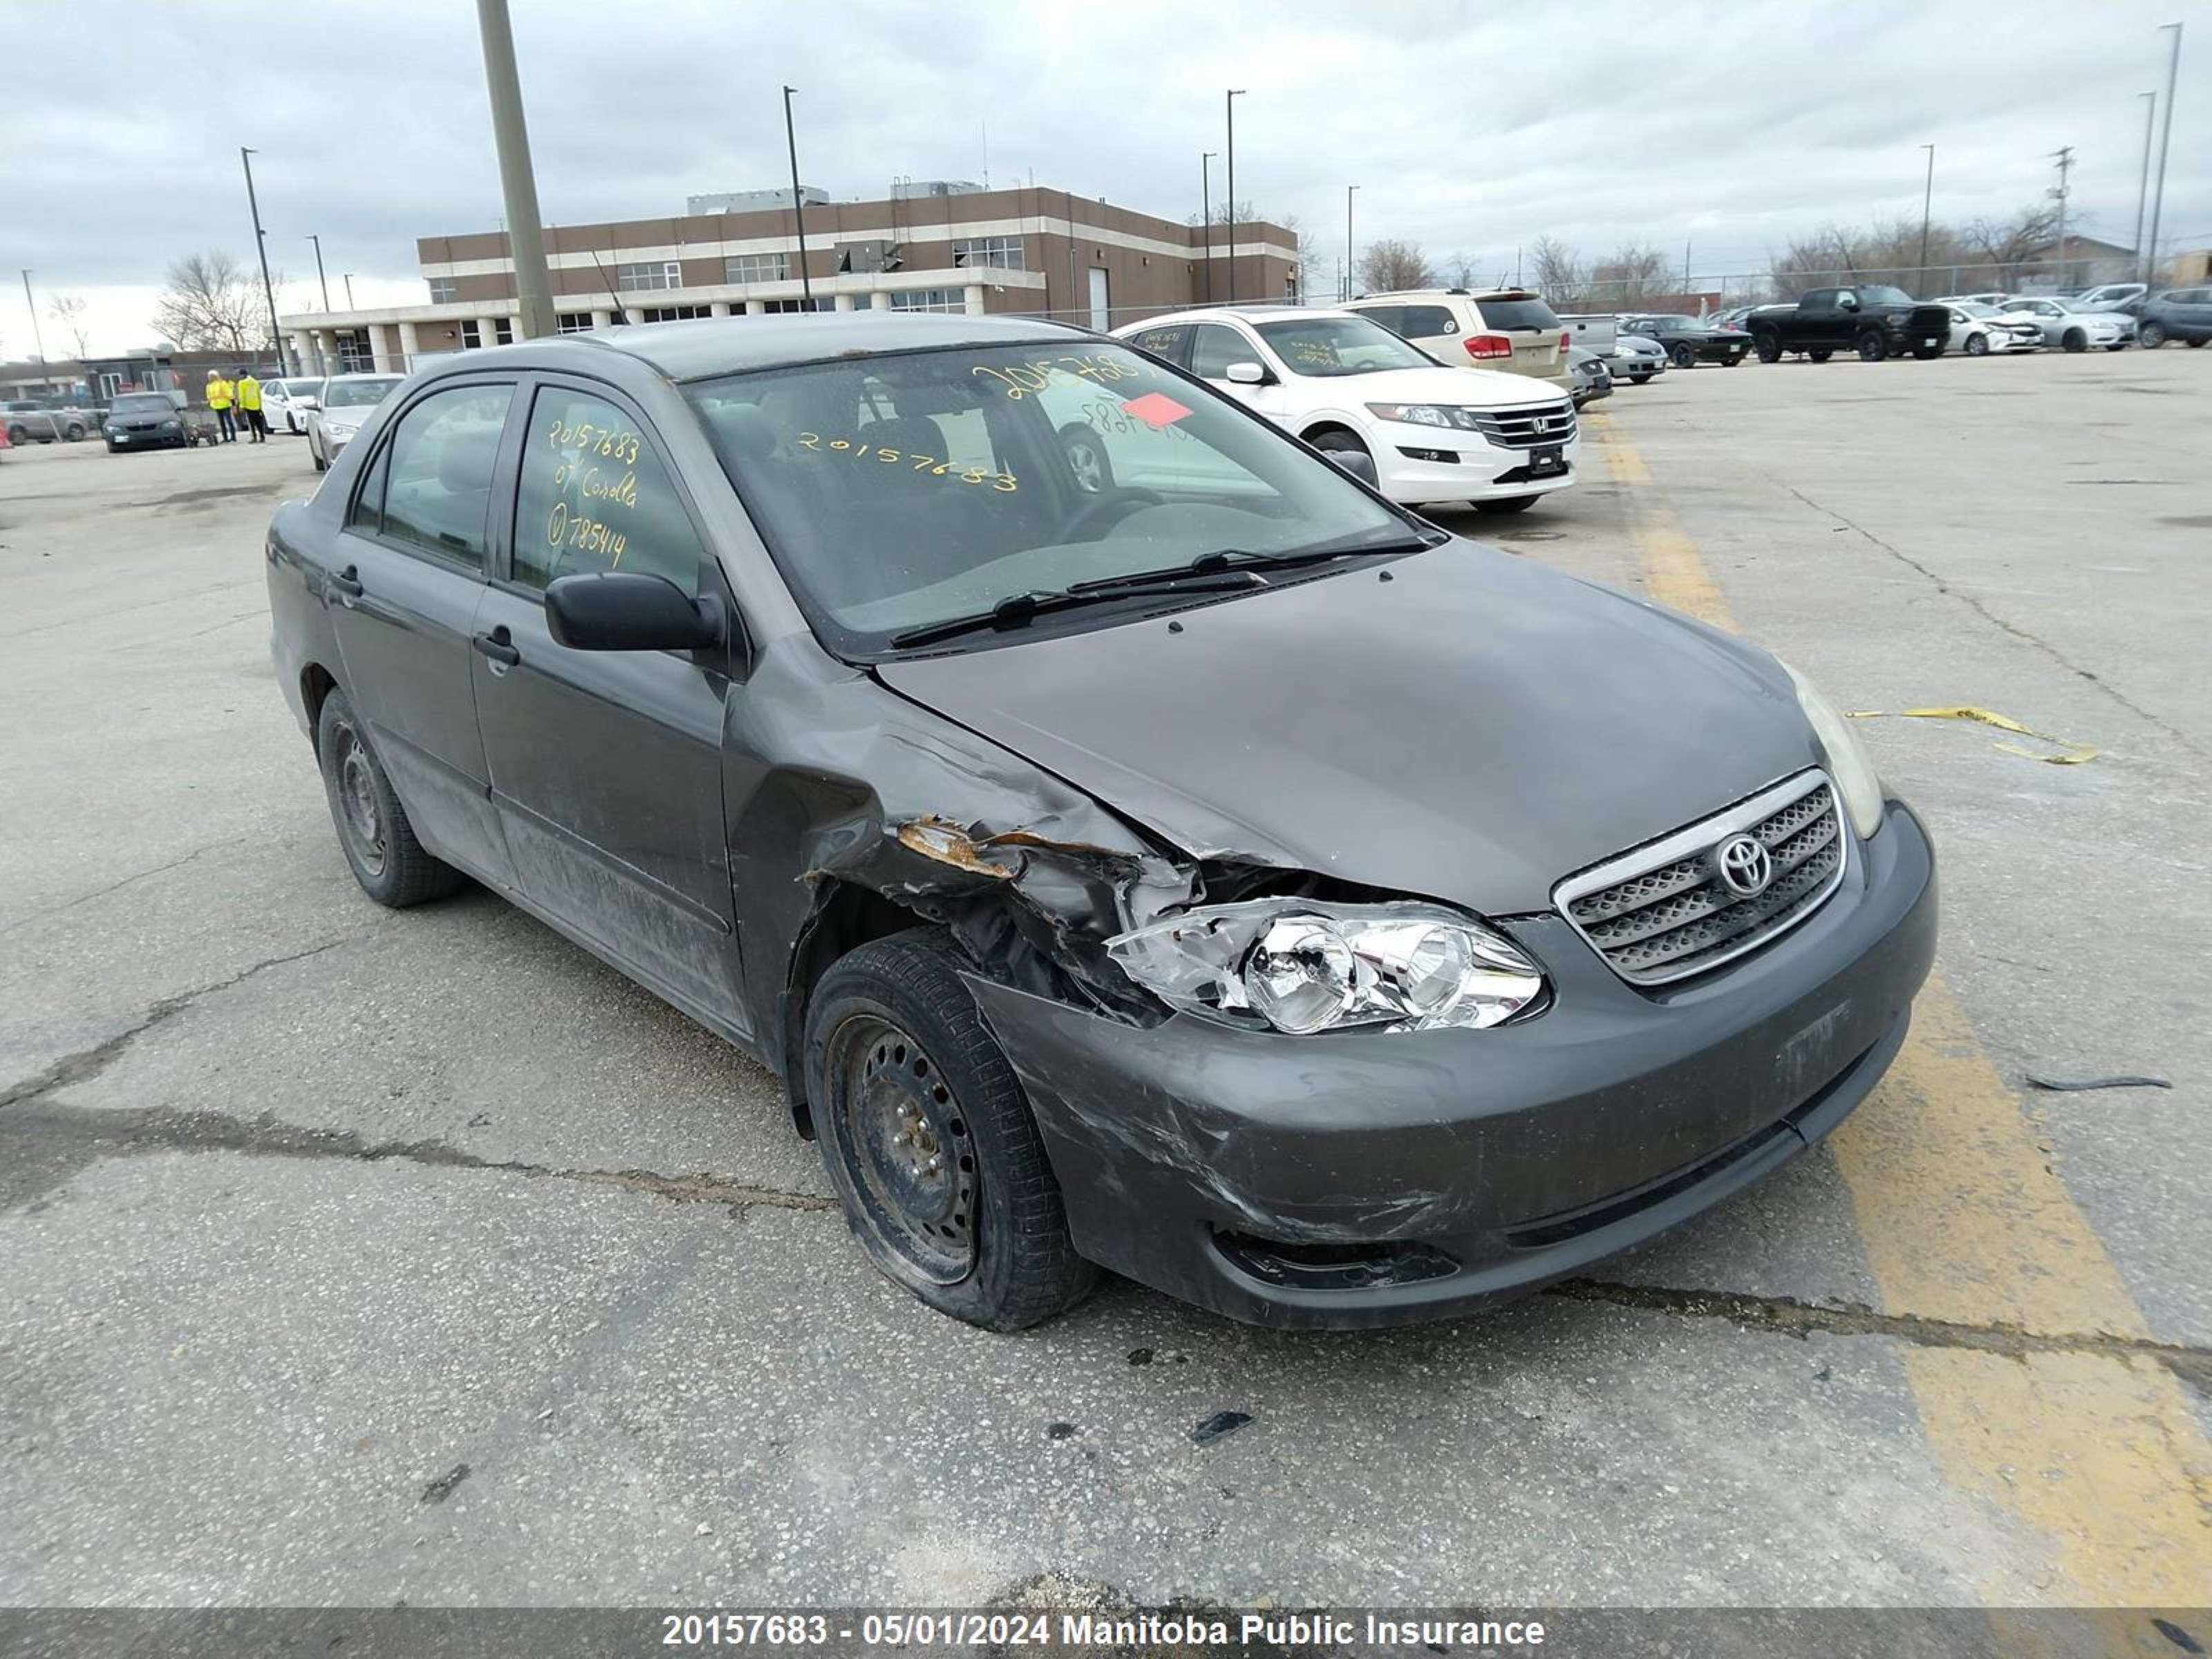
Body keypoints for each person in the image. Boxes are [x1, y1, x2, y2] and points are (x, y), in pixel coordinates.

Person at [236, 368, 268, 443]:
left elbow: (242, 395)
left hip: (248, 405)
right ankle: (262, 436)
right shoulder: (255, 381)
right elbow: (259, 394)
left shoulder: (242, 383)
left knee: (251, 423)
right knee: (259, 422)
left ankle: (254, 437)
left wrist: (242, 406)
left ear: (242, 375)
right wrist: (260, 405)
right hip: (256, 404)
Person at [205, 370, 236, 442]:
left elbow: (229, 393)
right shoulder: (209, 386)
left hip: (225, 405)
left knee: (229, 422)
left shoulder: (222, 383)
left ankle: (233, 437)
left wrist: (233, 402)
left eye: (210, 376)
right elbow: (209, 396)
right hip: (216, 406)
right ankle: (225, 438)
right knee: (222, 423)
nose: (209, 378)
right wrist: (209, 402)